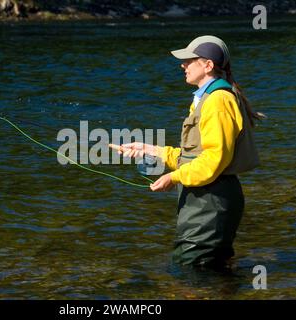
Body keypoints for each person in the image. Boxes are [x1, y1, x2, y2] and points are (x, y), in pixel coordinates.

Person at [113, 35, 265, 268]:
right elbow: (195, 155)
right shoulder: (206, 98)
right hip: (207, 198)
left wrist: (173, 177)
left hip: (211, 201)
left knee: (191, 272)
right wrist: (150, 149)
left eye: (189, 60)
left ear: (208, 65)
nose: (182, 65)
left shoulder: (217, 101)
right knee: (211, 271)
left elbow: (214, 161)